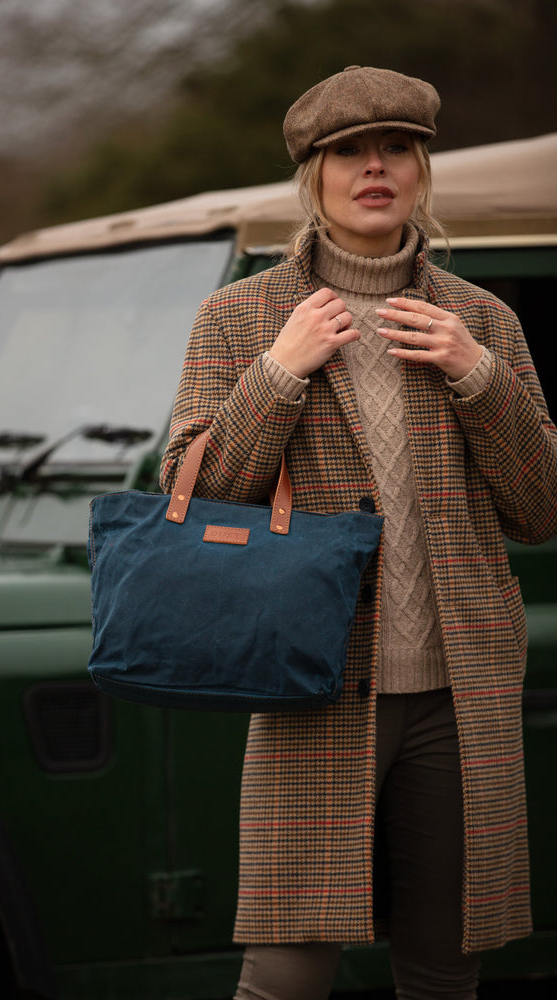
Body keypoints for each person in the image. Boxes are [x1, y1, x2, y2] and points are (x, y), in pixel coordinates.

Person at [160, 65, 557, 1000]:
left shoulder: (482, 318)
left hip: (463, 697)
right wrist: (278, 371)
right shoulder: (240, 316)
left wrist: (480, 377)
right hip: (311, 685)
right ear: (315, 175)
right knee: (285, 973)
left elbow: (540, 512)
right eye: (349, 152)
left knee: (444, 972)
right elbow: (201, 496)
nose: (374, 168)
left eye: (397, 149)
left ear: (420, 171)